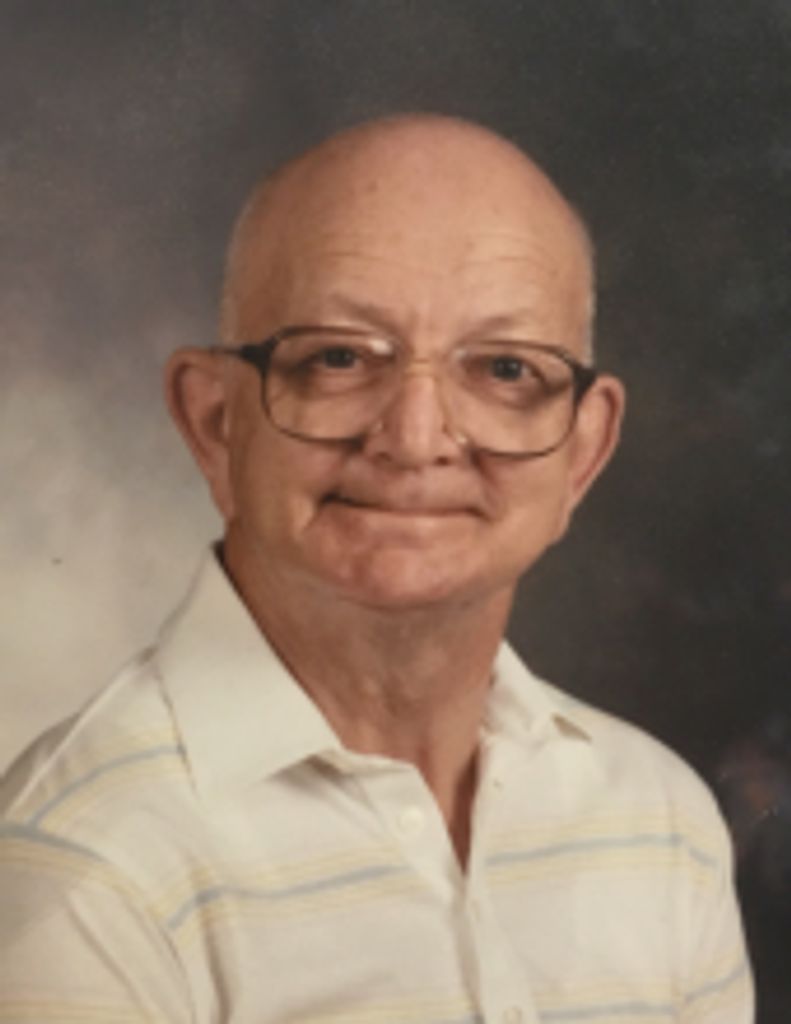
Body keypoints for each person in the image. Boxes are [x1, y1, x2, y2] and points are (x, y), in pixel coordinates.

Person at [0, 114, 753, 1023]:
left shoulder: (662, 824)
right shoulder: (79, 865)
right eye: (339, 357)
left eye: (504, 369)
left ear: (582, 453)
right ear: (216, 424)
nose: (415, 437)